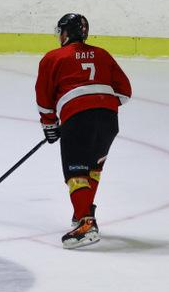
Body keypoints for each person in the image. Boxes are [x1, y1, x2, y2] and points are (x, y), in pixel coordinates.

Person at [34, 14, 132, 249]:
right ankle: (83, 212)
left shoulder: (53, 58)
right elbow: (125, 91)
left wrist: (50, 124)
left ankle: (87, 223)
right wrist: (100, 105)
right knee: (93, 168)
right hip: (109, 119)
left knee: (75, 172)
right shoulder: (102, 54)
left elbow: (44, 97)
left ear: (66, 33)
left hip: (78, 119)